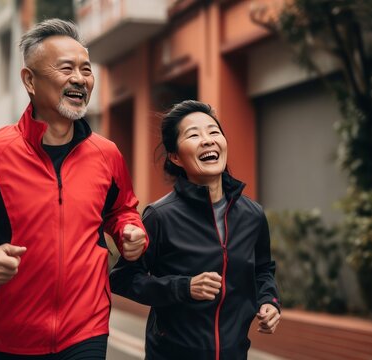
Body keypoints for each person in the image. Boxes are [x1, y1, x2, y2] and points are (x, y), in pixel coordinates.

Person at [0, 19, 147, 359]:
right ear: (29, 80)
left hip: (86, 330)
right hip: (7, 338)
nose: (79, 78)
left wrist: (131, 229)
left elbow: (121, 209)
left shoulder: (107, 154)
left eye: (86, 69)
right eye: (66, 67)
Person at [110, 100, 281, 360]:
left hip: (234, 354)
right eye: (193, 135)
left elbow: (263, 270)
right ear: (175, 157)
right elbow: (123, 279)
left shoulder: (252, 215)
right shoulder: (160, 217)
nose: (207, 140)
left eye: (214, 132)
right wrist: (184, 287)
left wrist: (268, 301)